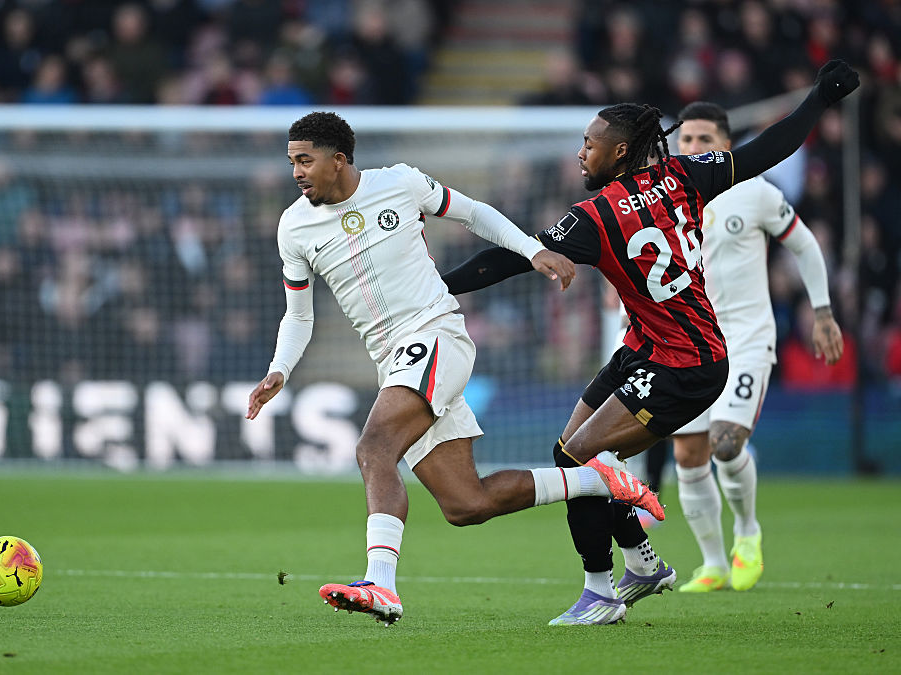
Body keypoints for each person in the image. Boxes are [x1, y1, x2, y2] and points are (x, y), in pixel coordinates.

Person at [443, 60, 859, 624]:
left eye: (589, 144)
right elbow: (768, 149)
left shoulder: (593, 217)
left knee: (577, 459)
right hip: (648, 347)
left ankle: (601, 592)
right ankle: (641, 562)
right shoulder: (687, 175)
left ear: (618, 152)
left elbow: (506, 261)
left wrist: (440, 288)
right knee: (569, 453)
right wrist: (818, 99)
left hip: (688, 364)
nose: (580, 154)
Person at [245, 112, 662, 627]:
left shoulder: (399, 182)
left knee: (374, 447)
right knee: (467, 503)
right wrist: (280, 369)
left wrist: (533, 250)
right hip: (391, 360)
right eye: (291, 162)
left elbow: (474, 212)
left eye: (304, 160)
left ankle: (381, 583)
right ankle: (599, 481)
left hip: (435, 334)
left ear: (339, 159)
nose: (296, 172)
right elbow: (299, 313)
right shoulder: (294, 225)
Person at [670, 101, 844, 594]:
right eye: (686, 140)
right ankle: (712, 563)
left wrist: (823, 310)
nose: (693, 148)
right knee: (688, 453)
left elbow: (805, 244)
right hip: (689, 341)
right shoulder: (665, 199)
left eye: (704, 140)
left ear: (725, 145)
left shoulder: (755, 192)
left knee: (726, 443)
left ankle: (747, 531)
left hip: (746, 336)